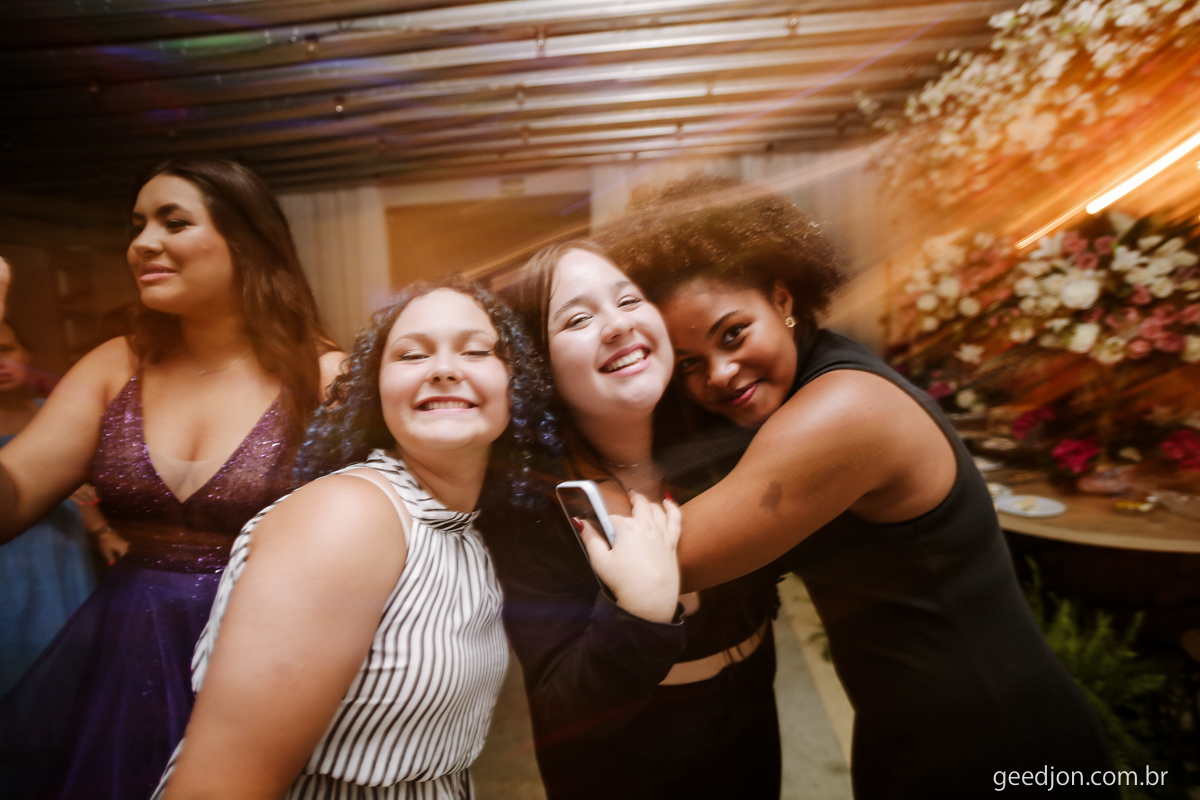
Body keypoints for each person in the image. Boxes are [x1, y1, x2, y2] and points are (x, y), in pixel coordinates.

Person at [598, 174, 1118, 799]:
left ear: (782, 297)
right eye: (687, 364)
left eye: (733, 333)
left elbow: (665, 562)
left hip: (999, 744)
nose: (721, 374)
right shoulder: (807, 382)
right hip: (908, 733)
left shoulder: (843, 411)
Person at [0, 157, 342, 800]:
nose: (143, 243)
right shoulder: (116, 366)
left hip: (270, 659)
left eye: (173, 222)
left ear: (246, 240)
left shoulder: (323, 379)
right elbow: (11, 498)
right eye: (137, 225)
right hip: (126, 660)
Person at [154, 281, 547, 799]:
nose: (444, 369)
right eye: (411, 354)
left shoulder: (459, 529)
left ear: (515, 382)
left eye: (475, 351)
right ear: (374, 389)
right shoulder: (349, 517)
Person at [478, 241, 782, 800]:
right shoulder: (530, 505)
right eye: (578, 319)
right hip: (624, 768)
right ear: (537, 363)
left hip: (753, 728)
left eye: (628, 300)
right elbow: (560, 705)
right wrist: (638, 611)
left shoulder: (717, 430)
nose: (618, 325)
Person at [0, 316, 96, 695]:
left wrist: (102, 529)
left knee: (71, 658)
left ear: (26, 353)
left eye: (6, 350)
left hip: (61, 553)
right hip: (8, 557)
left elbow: (82, 488)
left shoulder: (56, 413)